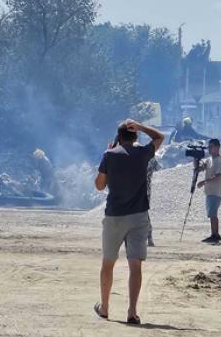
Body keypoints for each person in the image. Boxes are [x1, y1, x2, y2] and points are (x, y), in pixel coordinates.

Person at [93, 119, 164, 325]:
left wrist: (108, 154)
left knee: (108, 263)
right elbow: (159, 137)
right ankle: (132, 312)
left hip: (115, 215)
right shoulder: (143, 153)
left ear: (118, 137)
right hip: (139, 216)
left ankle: (105, 308)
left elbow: (99, 185)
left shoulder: (109, 155)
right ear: (135, 136)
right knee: (135, 266)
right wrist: (141, 126)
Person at [197, 138, 221, 243]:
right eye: (209, 147)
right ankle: (215, 234)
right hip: (210, 191)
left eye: (211, 147)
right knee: (211, 214)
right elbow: (200, 168)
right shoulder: (209, 160)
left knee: (213, 214)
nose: (209, 149)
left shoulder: (220, 161)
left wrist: (204, 182)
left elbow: (218, 176)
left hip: (216, 191)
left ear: (217, 147)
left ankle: (215, 234)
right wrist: (196, 159)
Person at [146, 157, 161, 247]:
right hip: (146, 190)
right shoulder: (150, 158)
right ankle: (149, 237)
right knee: (144, 213)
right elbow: (158, 168)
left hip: (136, 190)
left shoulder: (132, 155)